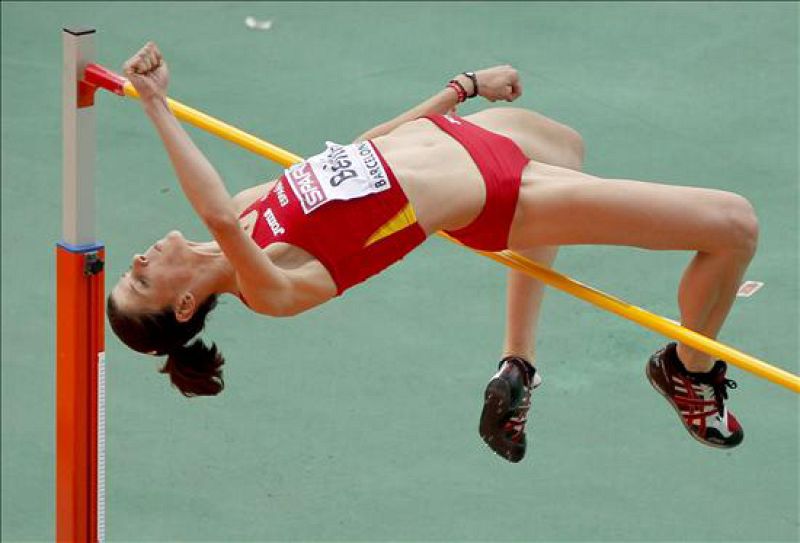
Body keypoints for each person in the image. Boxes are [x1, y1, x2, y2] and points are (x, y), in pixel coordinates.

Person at [108, 42, 758, 462]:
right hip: (503, 194)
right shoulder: (270, 283)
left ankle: (518, 364)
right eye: (140, 285)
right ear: (187, 303)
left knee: (572, 144)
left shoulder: (256, 201)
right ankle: (688, 368)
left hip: (467, 133)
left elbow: (359, 151)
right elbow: (216, 216)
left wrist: (460, 88)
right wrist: (158, 105)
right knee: (734, 225)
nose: (136, 264)